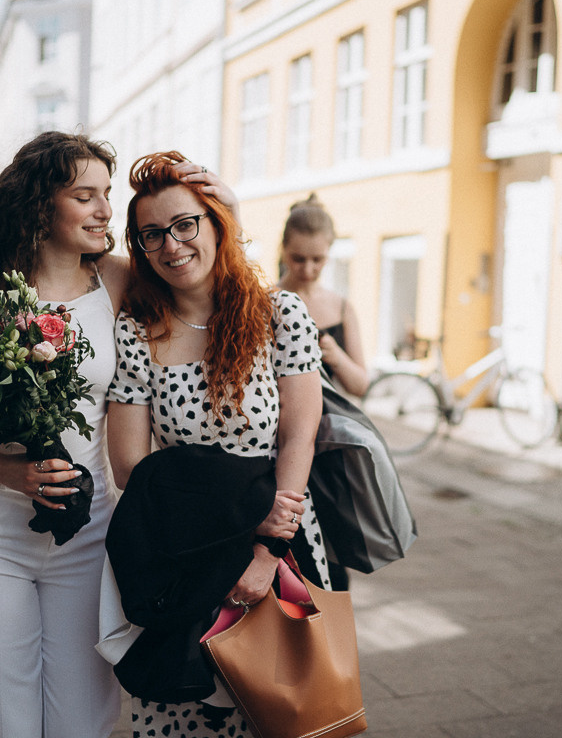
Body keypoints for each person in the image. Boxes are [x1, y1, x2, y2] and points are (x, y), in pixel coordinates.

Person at [0, 132, 236, 738]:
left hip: (90, 534)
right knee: (3, 717)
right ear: (39, 204)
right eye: (86, 196)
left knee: (82, 718)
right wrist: (10, 473)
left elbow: (206, 284)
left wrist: (225, 210)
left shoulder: (117, 280)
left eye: (106, 194)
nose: (105, 210)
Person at [106, 151, 329, 738]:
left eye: (186, 224)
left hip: (279, 542)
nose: (172, 245)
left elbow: (299, 437)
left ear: (216, 224)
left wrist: (267, 550)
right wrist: (235, 511)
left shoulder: (280, 314)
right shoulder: (136, 330)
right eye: (153, 234)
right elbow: (128, 466)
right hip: (184, 554)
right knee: (182, 718)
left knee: (280, 709)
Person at [277, 194, 370, 398]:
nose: (308, 269)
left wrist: (336, 357)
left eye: (317, 259)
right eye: (298, 259)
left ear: (329, 251)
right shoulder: (263, 301)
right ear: (283, 249)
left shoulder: (342, 308)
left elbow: (361, 387)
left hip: (330, 416)